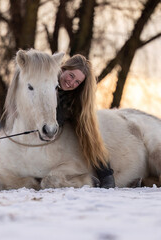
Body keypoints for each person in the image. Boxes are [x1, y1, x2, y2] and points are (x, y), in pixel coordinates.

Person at [57, 54, 115, 188]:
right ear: (63, 69)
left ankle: (106, 176)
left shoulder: (73, 99)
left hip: (65, 112)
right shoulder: (47, 79)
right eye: (71, 76)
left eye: (77, 82)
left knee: (88, 132)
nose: (71, 83)